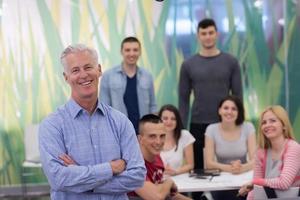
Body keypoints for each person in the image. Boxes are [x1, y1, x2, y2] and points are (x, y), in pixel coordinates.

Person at [38, 44, 146, 200]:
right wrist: (110, 168)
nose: (83, 75)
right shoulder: (52, 125)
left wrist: (83, 183)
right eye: (75, 70)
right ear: (66, 77)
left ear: (99, 70)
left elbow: (137, 176)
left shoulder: (121, 122)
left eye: (88, 67)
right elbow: (58, 179)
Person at [178, 18, 243, 170]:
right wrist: (181, 129)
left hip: (225, 123)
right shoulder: (188, 64)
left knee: (227, 167)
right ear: (198, 36)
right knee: (199, 169)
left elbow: (237, 96)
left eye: (210, 32)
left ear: (217, 34)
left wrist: (238, 122)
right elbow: (183, 99)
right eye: (204, 33)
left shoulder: (231, 62)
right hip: (198, 124)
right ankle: (199, 195)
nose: (207, 36)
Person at [238, 105, 300, 200]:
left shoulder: (293, 147)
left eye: (273, 121)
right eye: (264, 122)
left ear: (283, 125)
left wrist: (255, 182)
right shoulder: (260, 151)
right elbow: (257, 188)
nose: (267, 125)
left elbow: (284, 183)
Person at [100, 36, 157, 133]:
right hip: (118, 130)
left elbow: (153, 106)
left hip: (143, 132)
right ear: (121, 52)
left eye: (135, 50)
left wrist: (153, 129)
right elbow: (104, 107)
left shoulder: (147, 76)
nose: (131, 53)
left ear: (140, 52)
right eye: (127, 50)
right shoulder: (108, 76)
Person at [128, 114, 191, 200]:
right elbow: (157, 197)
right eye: (152, 136)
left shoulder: (157, 158)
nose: (158, 142)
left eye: (162, 136)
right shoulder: (132, 164)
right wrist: (169, 182)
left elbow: (167, 194)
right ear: (140, 139)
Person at [204, 95, 256, 200]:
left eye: (234, 109)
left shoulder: (248, 127)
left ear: (238, 112)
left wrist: (241, 168)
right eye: (226, 108)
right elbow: (209, 164)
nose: (229, 112)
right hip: (221, 181)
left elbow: (255, 160)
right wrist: (231, 169)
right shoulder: (211, 129)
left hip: (244, 179)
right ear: (219, 110)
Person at [158, 104, 195, 176]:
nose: (169, 122)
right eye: (165, 118)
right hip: (157, 181)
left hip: (179, 180)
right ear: (159, 120)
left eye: (173, 119)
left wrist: (175, 171)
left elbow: (190, 165)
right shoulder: (152, 137)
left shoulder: (185, 135)